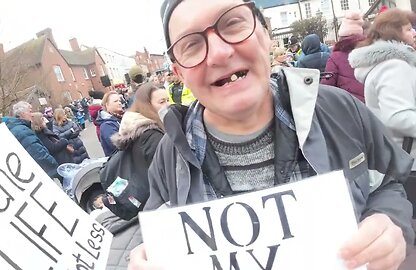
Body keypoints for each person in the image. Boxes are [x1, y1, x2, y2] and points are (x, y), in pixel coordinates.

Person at [128, 1, 415, 269]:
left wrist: (391, 220)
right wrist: (148, 254)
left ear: (265, 34)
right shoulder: (170, 155)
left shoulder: (338, 110)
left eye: (232, 24)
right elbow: (160, 235)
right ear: (179, 73)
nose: (219, 53)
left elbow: (389, 185)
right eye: (190, 44)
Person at [349, 8, 416, 218]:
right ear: (393, 32)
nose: (414, 32)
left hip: (398, 158)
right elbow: (397, 116)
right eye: (408, 28)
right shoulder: (395, 66)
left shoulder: (387, 64)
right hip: (409, 159)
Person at [96, 83, 168, 269]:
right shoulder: (153, 135)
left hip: (143, 198)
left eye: (168, 100)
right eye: (162, 101)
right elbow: (167, 175)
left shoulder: (136, 127)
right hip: (154, 202)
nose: (167, 105)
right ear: (147, 105)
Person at [3, 101, 58, 178]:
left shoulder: (18, 128)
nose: (32, 114)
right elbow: (38, 153)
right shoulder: (22, 131)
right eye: (30, 111)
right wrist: (55, 166)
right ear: (23, 113)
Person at [321, 12, 365, 102]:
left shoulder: (335, 57)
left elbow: (327, 88)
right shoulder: (370, 50)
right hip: (374, 106)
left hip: (350, 106)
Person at [96, 91, 124, 156]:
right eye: (115, 101)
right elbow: (118, 146)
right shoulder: (106, 125)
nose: (119, 103)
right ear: (107, 105)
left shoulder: (121, 118)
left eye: (119, 101)